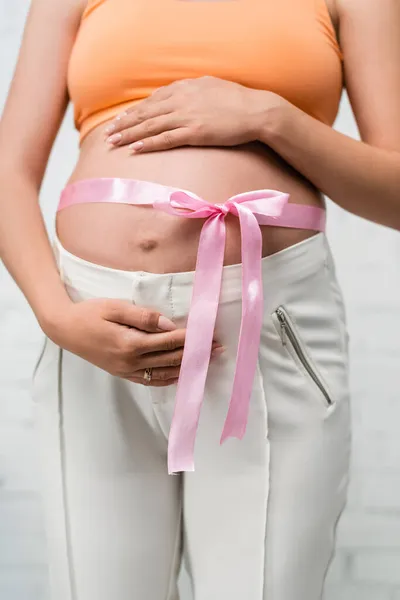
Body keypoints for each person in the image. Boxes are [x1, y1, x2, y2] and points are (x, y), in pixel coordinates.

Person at [0, 0, 399, 598]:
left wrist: (269, 117)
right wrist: (57, 316)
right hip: (90, 331)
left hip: (269, 326)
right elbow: (8, 170)